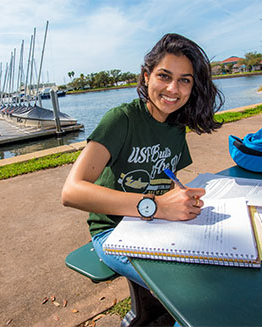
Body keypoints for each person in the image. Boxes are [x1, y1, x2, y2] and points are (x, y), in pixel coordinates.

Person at [61, 33, 224, 288]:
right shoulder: (121, 119)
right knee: (189, 289)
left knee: (219, 270)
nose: (173, 89)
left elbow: (167, 180)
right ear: (146, 76)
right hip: (113, 232)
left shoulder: (177, 125)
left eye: (184, 80)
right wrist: (157, 206)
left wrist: (181, 199)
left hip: (158, 226)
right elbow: (71, 192)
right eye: (164, 76)